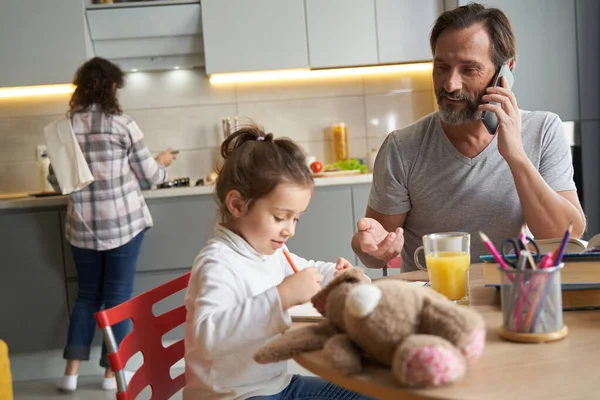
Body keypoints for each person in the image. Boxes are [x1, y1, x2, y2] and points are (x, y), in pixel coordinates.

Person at [352, 2, 586, 272]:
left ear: (505, 70)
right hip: (433, 304)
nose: (450, 84)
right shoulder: (402, 147)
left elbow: (565, 239)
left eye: (469, 69)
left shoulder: (543, 130)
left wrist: (516, 156)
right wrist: (368, 246)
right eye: (441, 67)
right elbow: (374, 254)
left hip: (515, 296)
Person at [183, 125, 373, 400]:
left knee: (372, 392)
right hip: (233, 396)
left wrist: (341, 275)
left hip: (276, 386)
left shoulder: (269, 250)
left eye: (296, 218)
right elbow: (208, 339)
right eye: (280, 217)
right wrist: (281, 297)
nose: (290, 230)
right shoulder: (218, 263)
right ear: (237, 205)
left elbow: (309, 270)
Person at [50, 57, 177, 392]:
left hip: (83, 228)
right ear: (112, 86)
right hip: (123, 225)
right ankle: (112, 375)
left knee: (87, 295)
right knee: (118, 298)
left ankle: (71, 373)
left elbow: (56, 178)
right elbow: (149, 175)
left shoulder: (66, 128)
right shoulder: (122, 124)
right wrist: (162, 165)